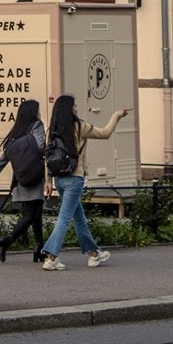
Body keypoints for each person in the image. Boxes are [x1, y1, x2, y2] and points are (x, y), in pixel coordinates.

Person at [38, 95, 131, 271]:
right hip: (75, 179)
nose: (77, 108)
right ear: (69, 109)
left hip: (59, 180)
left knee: (79, 218)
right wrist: (117, 115)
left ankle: (93, 254)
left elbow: (48, 158)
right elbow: (105, 133)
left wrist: (48, 181)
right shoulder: (79, 126)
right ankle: (51, 257)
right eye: (75, 105)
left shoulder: (53, 130)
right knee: (64, 220)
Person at [0, 99, 47, 263]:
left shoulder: (16, 131)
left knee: (36, 213)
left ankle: (39, 248)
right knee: (30, 215)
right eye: (38, 110)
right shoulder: (37, 126)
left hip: (20, 178)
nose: (40, 113)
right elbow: (41, 147)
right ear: (33, 112)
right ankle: (7, 241)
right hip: (34, 175)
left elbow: (5, 156)